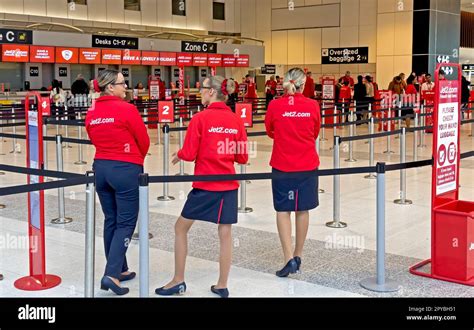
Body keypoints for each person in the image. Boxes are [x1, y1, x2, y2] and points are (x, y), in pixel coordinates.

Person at [155, 76, 248, 298]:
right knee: (225, 233)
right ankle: (222, 284)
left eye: (202, 89)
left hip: (205, 185)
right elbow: (242, 157)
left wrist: (178, 155)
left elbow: (188, 153)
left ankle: (178, 280)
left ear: (212, 92)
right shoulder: (236, 121)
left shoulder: (200, 118)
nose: (200, 92)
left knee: (180, 228)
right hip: (228, 185)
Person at [85, 69, 150, 296]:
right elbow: (144, 140)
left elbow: (92, 136)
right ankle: (111, 274)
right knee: (125, 223)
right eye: (123, 84)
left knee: (111, 220)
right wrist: (134, 159)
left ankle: (119, 268)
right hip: (125, 170)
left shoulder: (92, 111)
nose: (126, 87)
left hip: (101, 168)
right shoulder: (127, 109)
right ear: (110, 87)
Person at [265, 67, 321, 277]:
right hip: (307, 164)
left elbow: (270, 130)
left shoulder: (275, 105)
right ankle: (298, 255)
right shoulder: (312, 105)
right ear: (303, 84)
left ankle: (288, 257)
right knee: (302, 209)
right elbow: (315, 131)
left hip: (282, 163)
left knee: (283, 210)